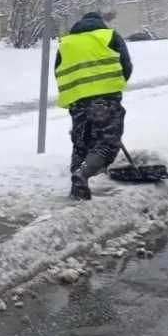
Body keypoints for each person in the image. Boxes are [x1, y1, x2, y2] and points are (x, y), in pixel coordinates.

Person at [54, 11, 134, 201]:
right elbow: (126, 65)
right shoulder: (108, 36)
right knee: (106, 142)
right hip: (106, 97)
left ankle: (77, 187)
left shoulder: (66, 43)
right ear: (100, 22)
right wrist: (116, 86)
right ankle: (82, 174)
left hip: (78, 100)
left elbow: (58, 71)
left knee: (81, 143)